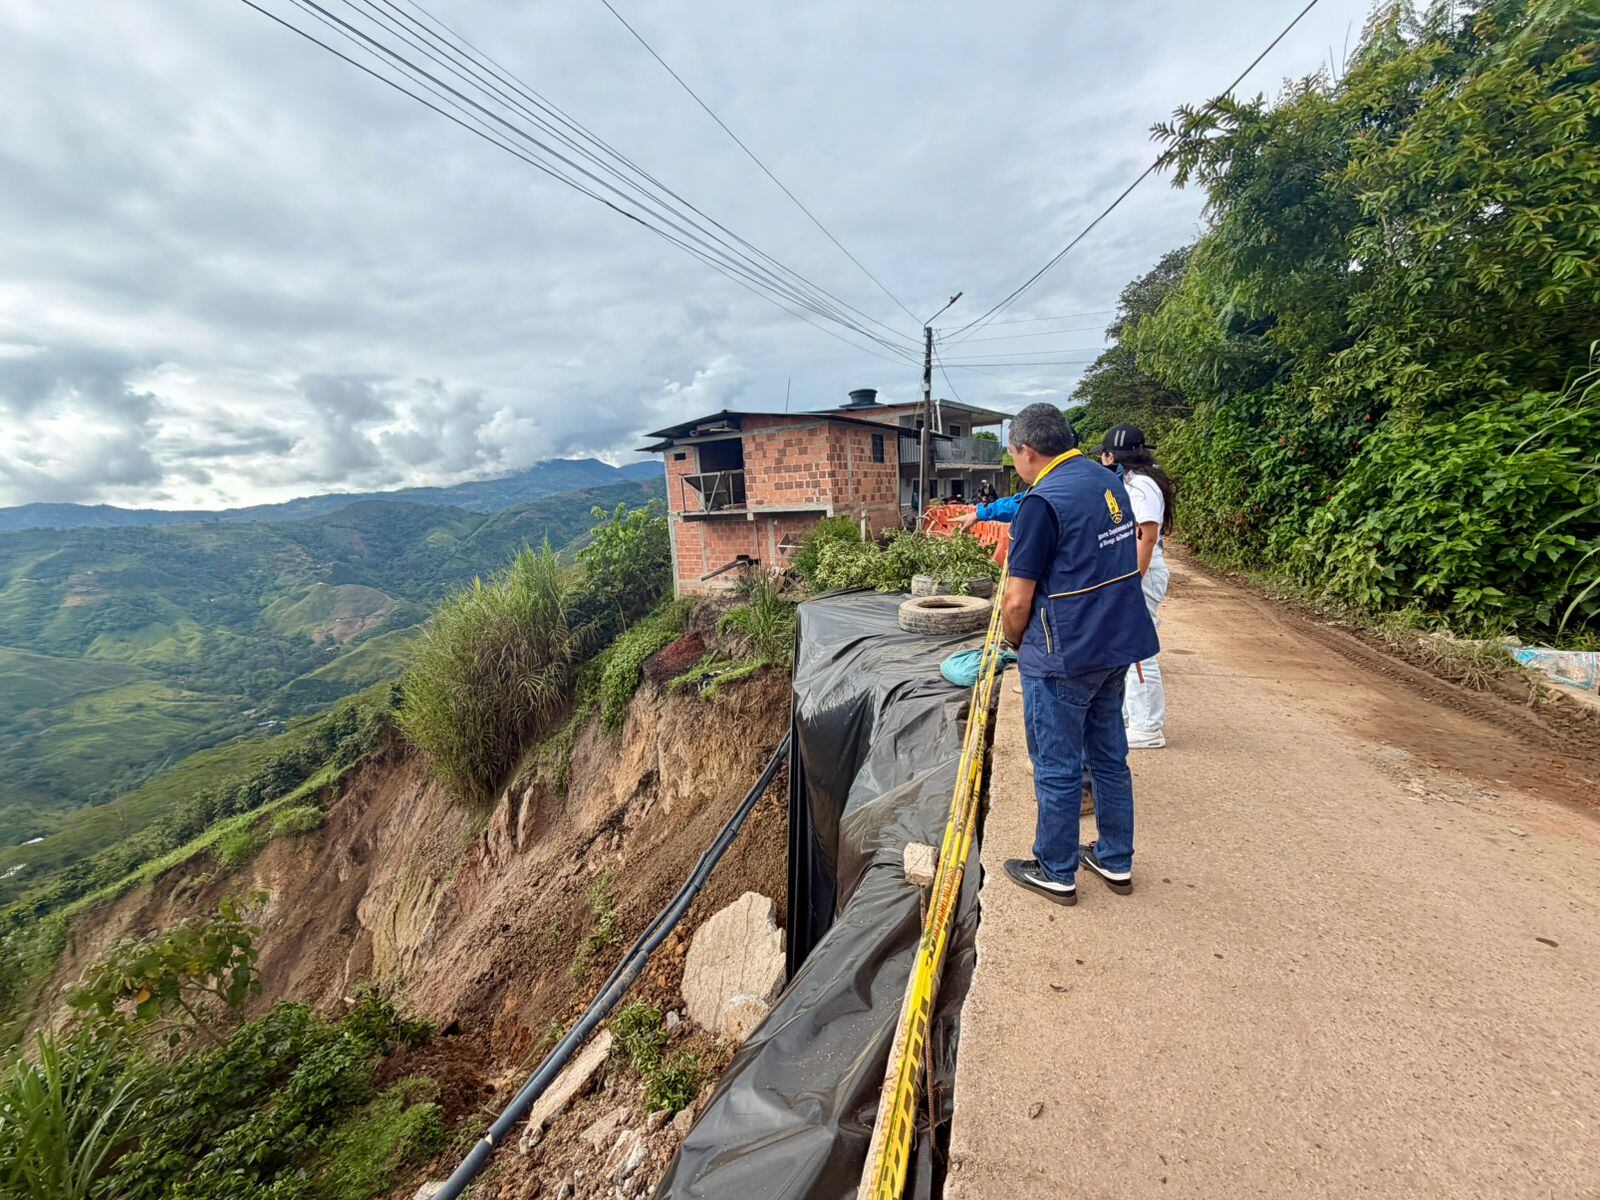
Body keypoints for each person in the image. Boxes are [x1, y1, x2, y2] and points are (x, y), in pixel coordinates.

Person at [998, 404, 1158, 906]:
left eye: (1012, 454)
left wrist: (1015, 643)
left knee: (1056, 763)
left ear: (1026, 449)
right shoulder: (1108, 480)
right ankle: (1115, 858)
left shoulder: (1041, 503)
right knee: (1110, 757)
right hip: (1115, 642)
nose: (1015, 464)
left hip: (1065, 652)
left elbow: (1017, 599)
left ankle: (1056, 868)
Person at [1094, 424, 1174, 749]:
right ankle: (1133, 716)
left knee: (1138, 651)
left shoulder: (1139, 485)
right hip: (1137, 570)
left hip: (1141, 571)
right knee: (1126, 649)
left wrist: (1130, 579)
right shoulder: (1135, 479)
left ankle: (1148, 728)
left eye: (1104, 453)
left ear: (1113, 455)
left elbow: (1148, 535)